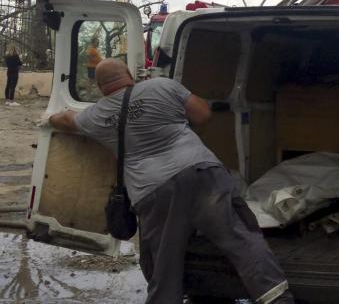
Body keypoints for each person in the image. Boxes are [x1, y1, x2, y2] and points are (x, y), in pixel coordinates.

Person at [48, 59, 294, 304]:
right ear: (130, 75)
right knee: (241, 239)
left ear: (101, 87)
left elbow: (66, 121)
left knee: (164, 266)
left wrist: (49, 119)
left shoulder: (96, 114)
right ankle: (276, 298)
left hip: (154, 193)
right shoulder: (162, 86)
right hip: (203, 174)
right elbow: (203, 115)